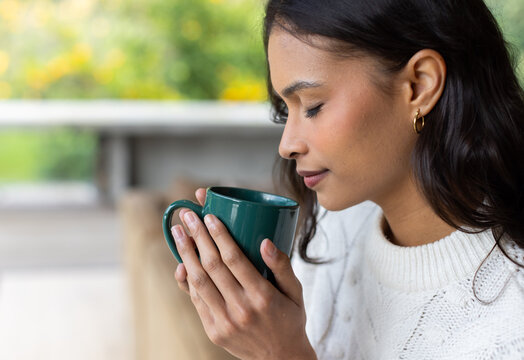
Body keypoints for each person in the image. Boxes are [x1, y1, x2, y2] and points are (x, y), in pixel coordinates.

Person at [170, 0, 524, 358]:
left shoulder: (509, 333)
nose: (287, 146)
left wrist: (282, 353)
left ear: (419, 85)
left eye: (312, 106)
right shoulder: (333, 228)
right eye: (285, 110)